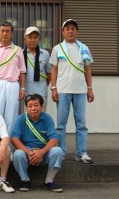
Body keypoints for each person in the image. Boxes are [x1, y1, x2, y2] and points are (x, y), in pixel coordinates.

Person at [50, 19, 95, 164]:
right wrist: (54, 88)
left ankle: (81, 153)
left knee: (81, 124)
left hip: (80, 90)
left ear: (77, 31)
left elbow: (87, 69)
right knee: (61, 124)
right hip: (62, 90)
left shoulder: (84, 47)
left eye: (73, 29)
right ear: (63, 32)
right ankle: (61, 152)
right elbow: (54, 69)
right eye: (67, 29)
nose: (70, 31)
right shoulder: (57, 48)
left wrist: (90, 89)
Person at [11, 93, 64, 193]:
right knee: (18, 154)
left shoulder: (47, 118)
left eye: (36, 105)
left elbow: (54, 139)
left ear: (41, 107)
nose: (33, 108)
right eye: (30, 106)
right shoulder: (21, 119)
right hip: (27, 153)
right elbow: (14, 139)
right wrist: (28, 152)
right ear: (26, 107)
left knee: (58, 151)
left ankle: (49, 181)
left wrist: (41, 153)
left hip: (43, 153)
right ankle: (25, 180)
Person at [0, 21, 26, 140]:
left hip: (13, 85)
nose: (5, 33)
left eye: (7, 31)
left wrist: (22, 88)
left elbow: (22, 71)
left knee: (11, 117)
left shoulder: (18, 50)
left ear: (12, 33)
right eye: (2, 31)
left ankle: (9, 149)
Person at [21, 26, 51, 112]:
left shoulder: (45, 54)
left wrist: (43, 85)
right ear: (24, 39)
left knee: (41, 117)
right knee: (26, 118)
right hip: (24, 93)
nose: (32, 40)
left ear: (39, 39)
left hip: (41, 92)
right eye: (29, 37)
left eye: (35, 37)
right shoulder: (20, 54)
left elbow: (49, 73)